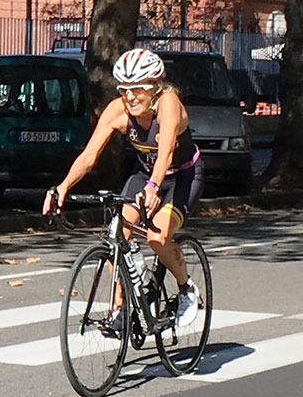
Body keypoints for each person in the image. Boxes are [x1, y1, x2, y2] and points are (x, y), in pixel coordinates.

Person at [42, 48, 204, 328]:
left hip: (182, 176)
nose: (130, 97)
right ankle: (120, 307)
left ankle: (186, 288)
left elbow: (165, 151)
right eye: (125, 89)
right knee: (117, 234)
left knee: (156, 238)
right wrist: (63, 186)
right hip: (144, 175)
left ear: (155, 85)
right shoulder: (118, 110)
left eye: (138, 89)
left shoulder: (168, 103)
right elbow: (90, 155)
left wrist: (154, 187)